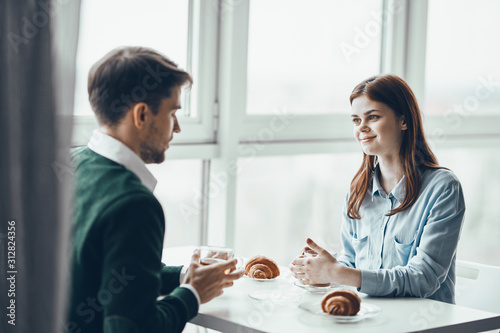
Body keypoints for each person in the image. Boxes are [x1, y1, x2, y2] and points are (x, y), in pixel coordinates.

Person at [67, 46, 243, 333]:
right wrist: (192, 295)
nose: (177, 128)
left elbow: (116, 277)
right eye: (173, 112)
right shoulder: (133, 204)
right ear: (142, 115)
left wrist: (186, 276)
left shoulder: (70, 163)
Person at [290, 74, 465, 304]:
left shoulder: (443, 188)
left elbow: (424, 278)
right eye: (355, 120)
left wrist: (339, 273)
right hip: (371, 320)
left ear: (403, 120)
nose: (361, 128)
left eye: (372, 117)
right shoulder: (359, 191)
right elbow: (352, 267)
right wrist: (323, 275)